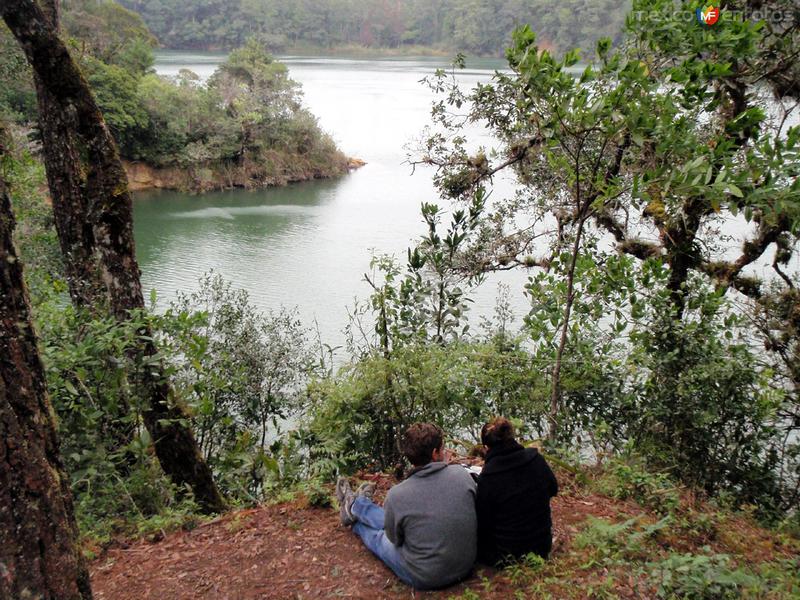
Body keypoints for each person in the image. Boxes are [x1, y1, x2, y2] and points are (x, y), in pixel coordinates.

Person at [336, 422, 477, 590]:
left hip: (425, 576)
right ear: (435, 453)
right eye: (442, 448)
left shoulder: (398, 494)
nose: (445, 452)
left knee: (380, 537)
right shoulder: (462, 476)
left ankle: (355, 520)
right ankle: (357, 505)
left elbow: (394, 539)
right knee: (402, 518)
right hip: (465, 565)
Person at [475, 417, 558, 565]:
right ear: (512, 437)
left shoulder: (488, 477)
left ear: (486, 447)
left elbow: (483, 521)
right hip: (541, 547)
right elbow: (553, 489)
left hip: (505, 555)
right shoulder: (536, 459)